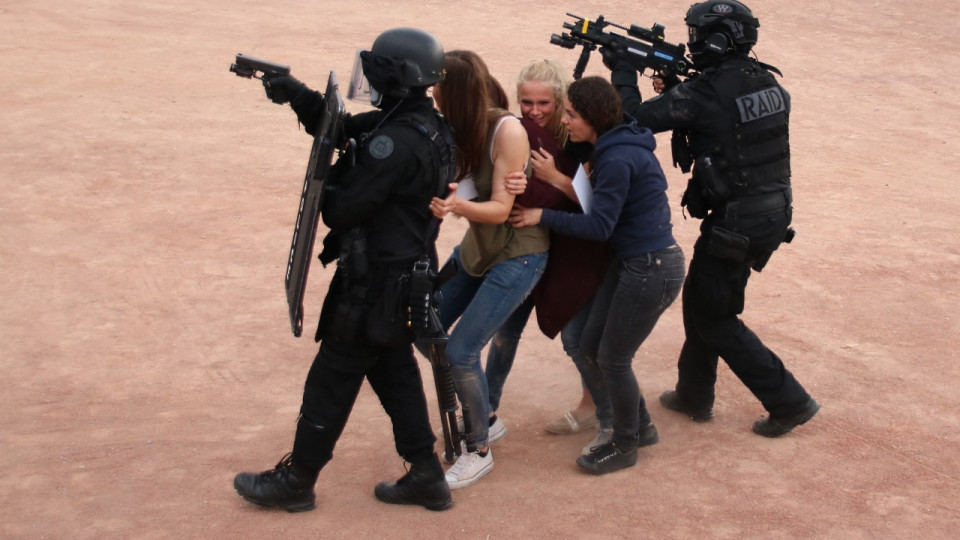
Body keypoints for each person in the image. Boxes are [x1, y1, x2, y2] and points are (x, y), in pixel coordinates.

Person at [232, 27, 456, 512]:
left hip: (372, 282)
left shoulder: (395, 142)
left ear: (395, 81)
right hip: (405, 277)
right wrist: (297, 95)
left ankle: (298, 480)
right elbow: (349, 128)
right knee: (392, 367)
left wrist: (333, 178)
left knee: (333, 376)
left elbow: (341, 209)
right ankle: (426, 473)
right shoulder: (426, 125)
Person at [603, 0, 819, 436]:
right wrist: (680, 88)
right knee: (705, 300)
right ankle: (694, 393)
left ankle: (789, 401)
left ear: (721, 38)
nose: (693, 44)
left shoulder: (705, 92)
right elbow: (721, 116)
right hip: (767, 212)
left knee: (715, 316)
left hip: (737, 221)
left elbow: (633, 120)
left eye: (699, 36)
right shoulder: (767, 82)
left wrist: (624, 71)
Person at [509, 76, 686, 475]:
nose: (565, 121)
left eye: (571, 114)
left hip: (651, 268)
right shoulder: (614, 146)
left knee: (612, 358)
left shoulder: (617, 158)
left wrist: (541, 214)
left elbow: (600, 227)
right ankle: (640, 426)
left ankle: (625, 444)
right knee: (591, 345)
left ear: (592, 118)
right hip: (636, 264)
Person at [426, 50, 545, 489]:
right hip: (477, 251)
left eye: (437, 88)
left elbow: (499, 208)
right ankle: (486, 415)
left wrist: (453, 204)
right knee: (426, 326)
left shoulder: (506, 130)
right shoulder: (457, 125)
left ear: (454, 90)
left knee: (459, 352)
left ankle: (477, 447)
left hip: (518, 256)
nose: (432, 96)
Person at [482, 59, 612, 453]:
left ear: (560, 101)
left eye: (544, 103)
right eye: (526, 102)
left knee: (578, 340)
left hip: (577, 251)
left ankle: (604, 411)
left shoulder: (583, 136)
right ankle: (484, 413)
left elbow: (597, 207)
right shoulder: (517, 134)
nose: (534, 111)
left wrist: (554, 179)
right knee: (505, 329)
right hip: (529, 249)